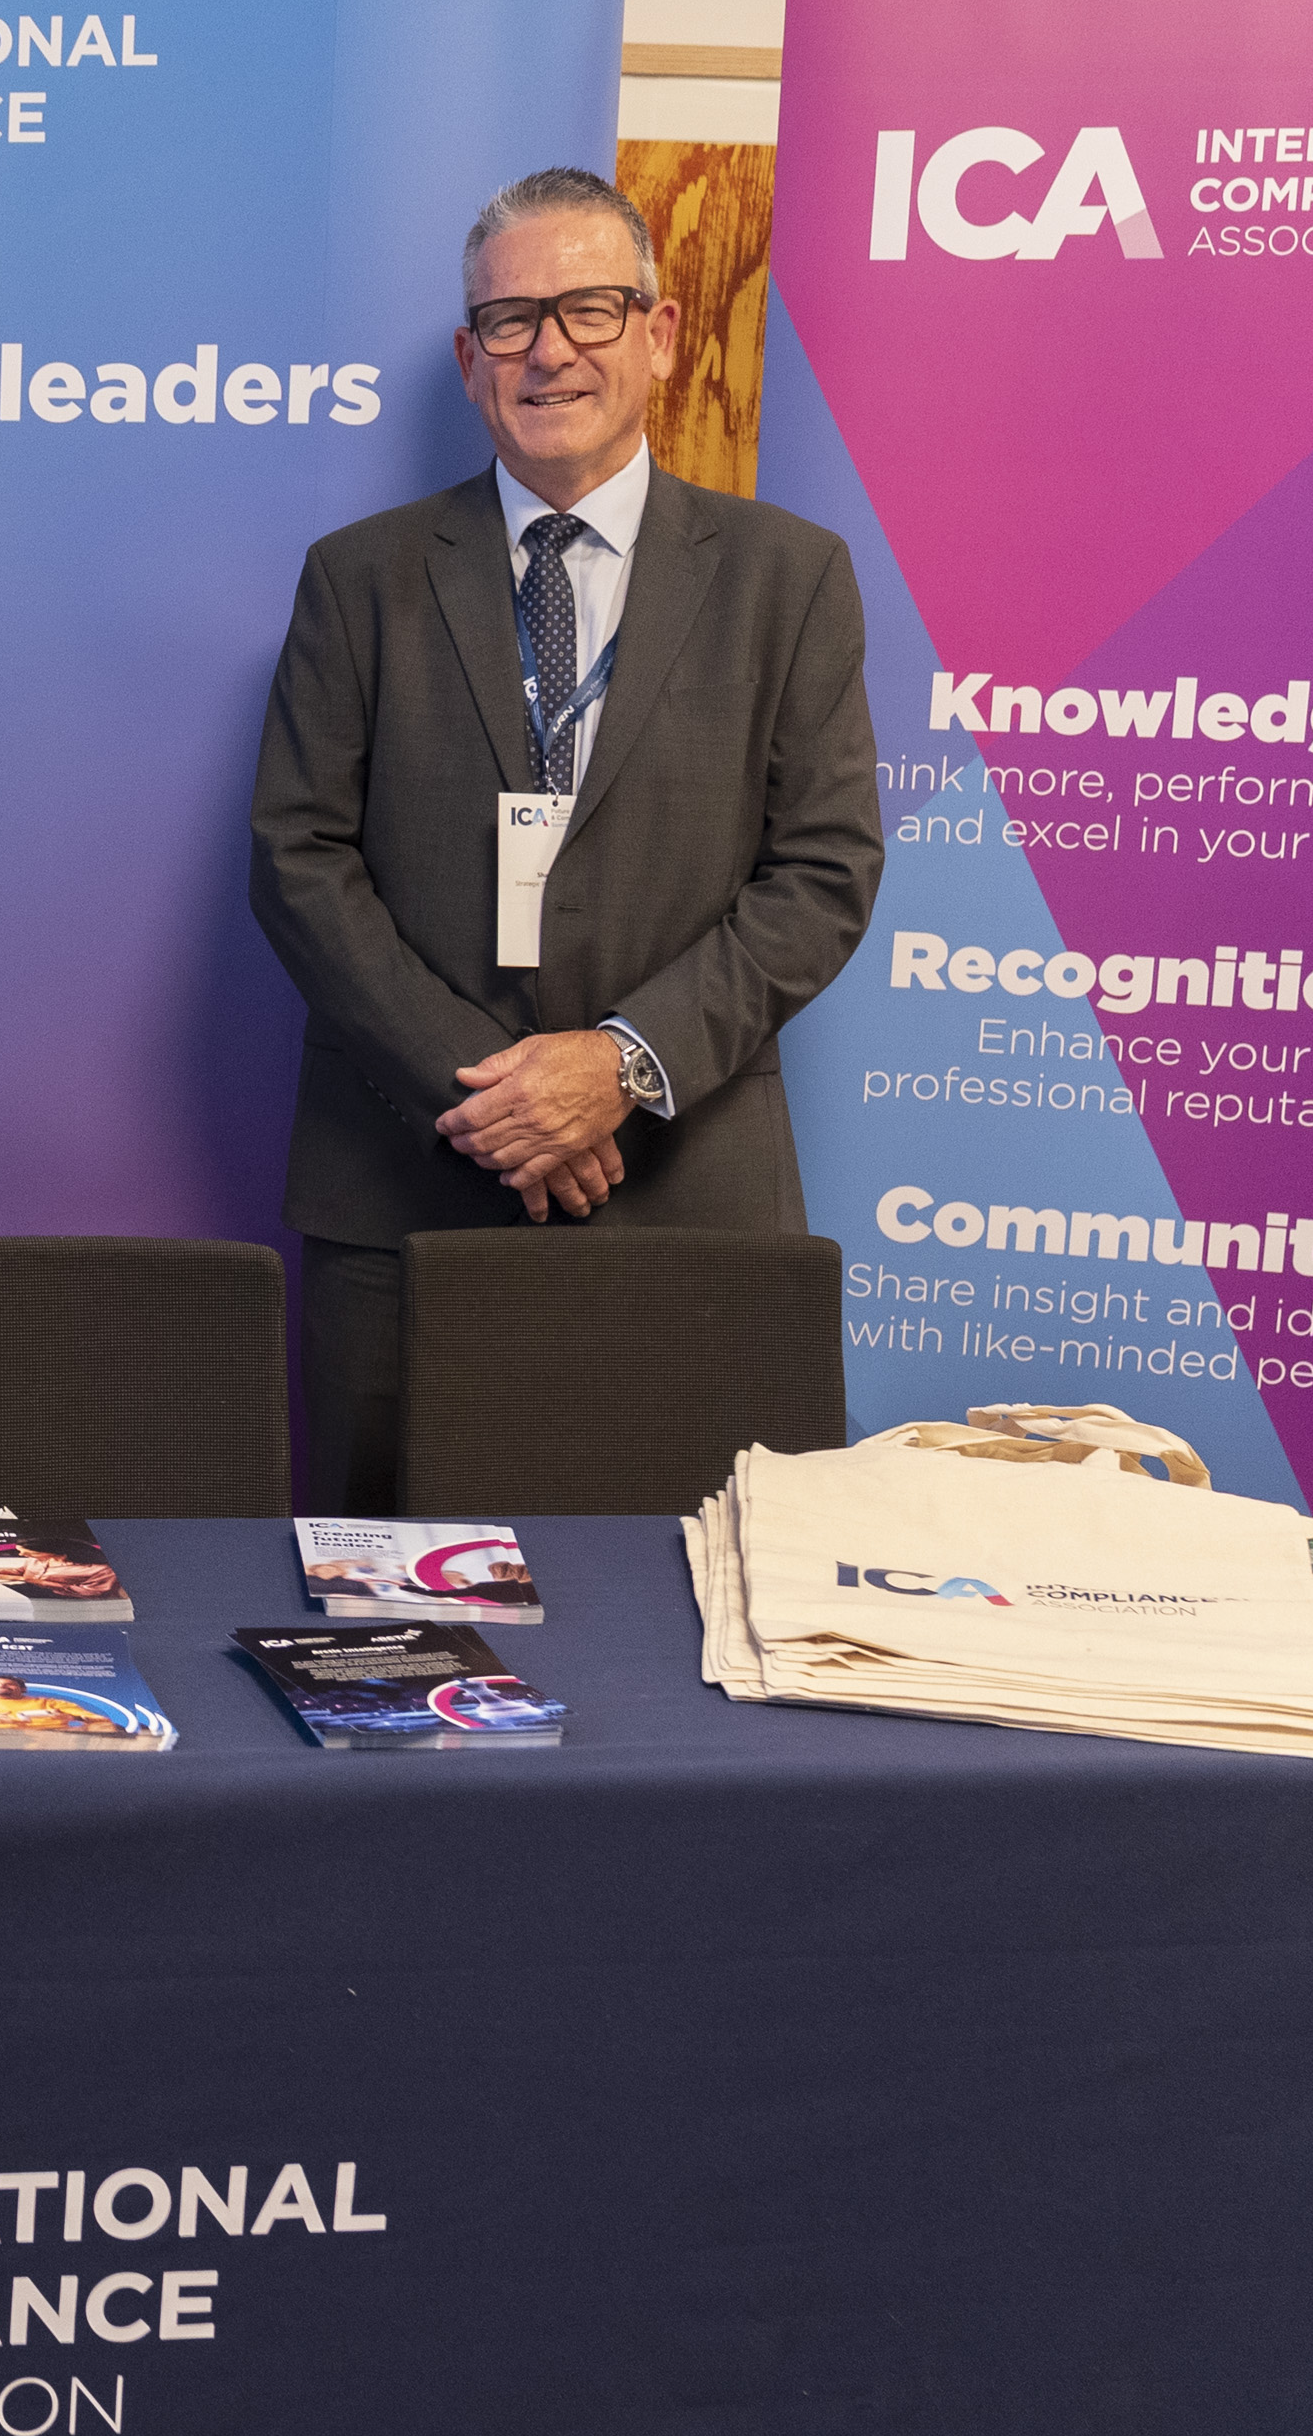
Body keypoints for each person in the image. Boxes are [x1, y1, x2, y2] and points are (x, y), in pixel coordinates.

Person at [247, 165, 882, 1512]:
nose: (549, 350)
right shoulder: (358, 578)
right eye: (511, 319)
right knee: (390, 1604)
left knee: (684, 1594)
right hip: (407, 1185)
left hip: (684, 1188)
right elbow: (299, 861)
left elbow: (823, 873)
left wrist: (620, 1066)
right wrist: (496, 1099)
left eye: (589, 309)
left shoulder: (788, 577)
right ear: (468, 359)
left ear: (661, 334)